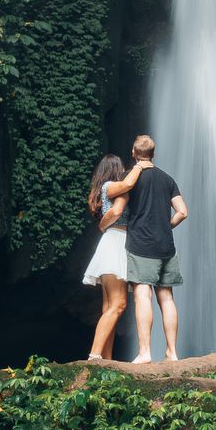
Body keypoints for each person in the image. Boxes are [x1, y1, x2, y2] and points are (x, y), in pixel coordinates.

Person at [119, 133, 188, 363]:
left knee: (142, 295)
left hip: (141, 244)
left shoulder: (130, 178)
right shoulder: (167, 179)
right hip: (166, 245)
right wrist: (166, 226)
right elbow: (183, 212)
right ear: (154, 154)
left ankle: (145, 352)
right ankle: (172, 352)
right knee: (166, 297)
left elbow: (118, 207)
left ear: (133, 153)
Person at [80, 153, 149, 360]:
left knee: (108, 307)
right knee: (119, 304)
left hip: (112, 243)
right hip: (116, 242)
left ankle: (106, 359)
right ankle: (94, 356)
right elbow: (117, 211)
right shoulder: (113, 187)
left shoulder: (107, 188)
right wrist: (140, 166)